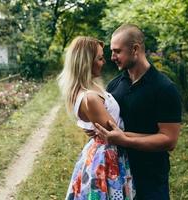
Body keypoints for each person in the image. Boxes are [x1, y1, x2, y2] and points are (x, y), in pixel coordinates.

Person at [94, 24, 182, 200]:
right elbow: (110, 124)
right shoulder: (114, 86)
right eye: (111, 52)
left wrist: (125, 139)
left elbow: (169, 140)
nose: (112, 57)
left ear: (135, 49)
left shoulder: (165, 88)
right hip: (117, 174)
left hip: (150, 177)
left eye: (117, 51)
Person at [58, 36, 135, 200]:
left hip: (103, 151)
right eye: (100, 58)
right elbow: (117, 134)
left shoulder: (90, 87)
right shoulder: (90, 97)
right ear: (86, 62)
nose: (104, 61)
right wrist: (157, 138)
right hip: (107, 158)